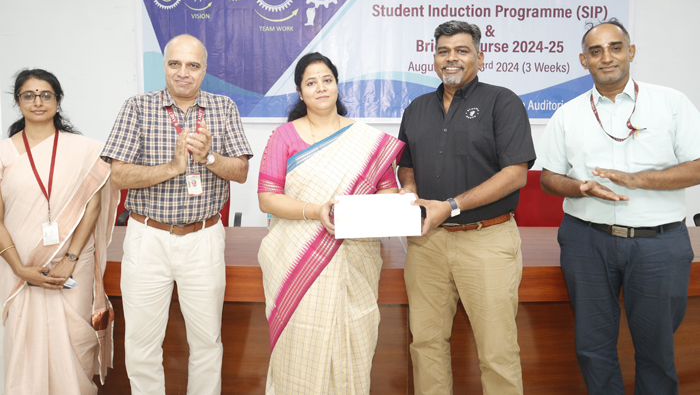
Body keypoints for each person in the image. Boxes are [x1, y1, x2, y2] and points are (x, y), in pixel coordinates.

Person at [537, 19, 700, 395]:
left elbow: (697, 166)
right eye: (595, 51)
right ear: (584, 60)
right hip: (586, 242)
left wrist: (639, 179)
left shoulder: (671, 103)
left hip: (658, 244)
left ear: (631, 52)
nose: (606, 57)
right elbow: (549, 178)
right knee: (592, 347)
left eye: (615, 47)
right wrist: (581, 187)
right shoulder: (568, 113)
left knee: (657, 349)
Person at [101, 34, 253, 395]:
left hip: (203, 238)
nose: (183, 72)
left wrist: (208, 158)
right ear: (164, 66)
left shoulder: (223, 107)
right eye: (175, 64)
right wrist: (172, 167)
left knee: (206, 342)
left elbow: (241, 172)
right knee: (141, 344)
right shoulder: (137, 107)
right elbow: (117, 176)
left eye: (192, 65)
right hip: (148, 238)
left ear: (204, 70)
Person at [398, 20, 535, 395]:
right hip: (427, 244)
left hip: (486, 240)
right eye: (443, 51)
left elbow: (515, 174)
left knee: (497, 351)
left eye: (462, 50)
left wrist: (451, 206)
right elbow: (406, 164)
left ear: (480, 57)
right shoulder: (416, 108)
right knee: (425, 344)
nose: (451, 58)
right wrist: (409, 191)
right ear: (434, 58)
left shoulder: (502, 102)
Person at [257, 52, 405, 394]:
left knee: (353, 341)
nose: (321, 87)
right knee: (299, 350)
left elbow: (387, 192)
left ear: (337, 85)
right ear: (300, 92)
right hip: (295, 258)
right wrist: (316, 210)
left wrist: (395, 202)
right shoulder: (284, 136)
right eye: (311, 82)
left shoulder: (366, 140)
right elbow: (267, 198)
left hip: (355, 255)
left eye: (327, 80)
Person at [0, 69, 118, 395]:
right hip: (19, 266)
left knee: (74, 342)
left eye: (45, 95)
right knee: (24, 343)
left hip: (73, 265)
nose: (37, 101)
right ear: (18, 102)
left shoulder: (85, 150)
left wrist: (70, 258)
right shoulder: (4, 153)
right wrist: (19, 268)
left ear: (58, 100)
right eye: (29, 95)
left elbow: (92, 206)